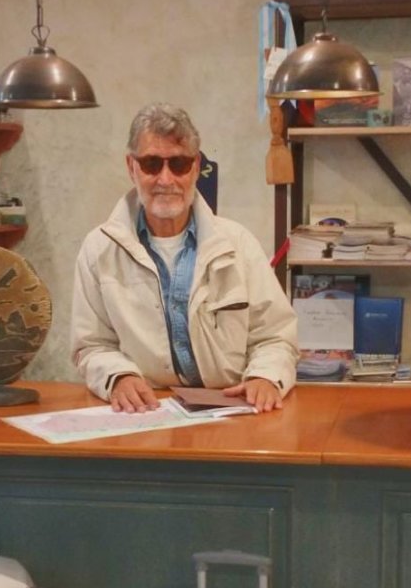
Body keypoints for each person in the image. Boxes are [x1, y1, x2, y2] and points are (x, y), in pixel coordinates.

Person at [70, 103, 298, 413]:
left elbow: (275, 336)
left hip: (235, 408)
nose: (166, 179)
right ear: (131, 166)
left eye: (178, 164)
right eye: (151, 164)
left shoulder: (239, 244)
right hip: (145, 411)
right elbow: (91, 345)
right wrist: (118, 377)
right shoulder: (98, 249)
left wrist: (265, 377)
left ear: (195, 167)